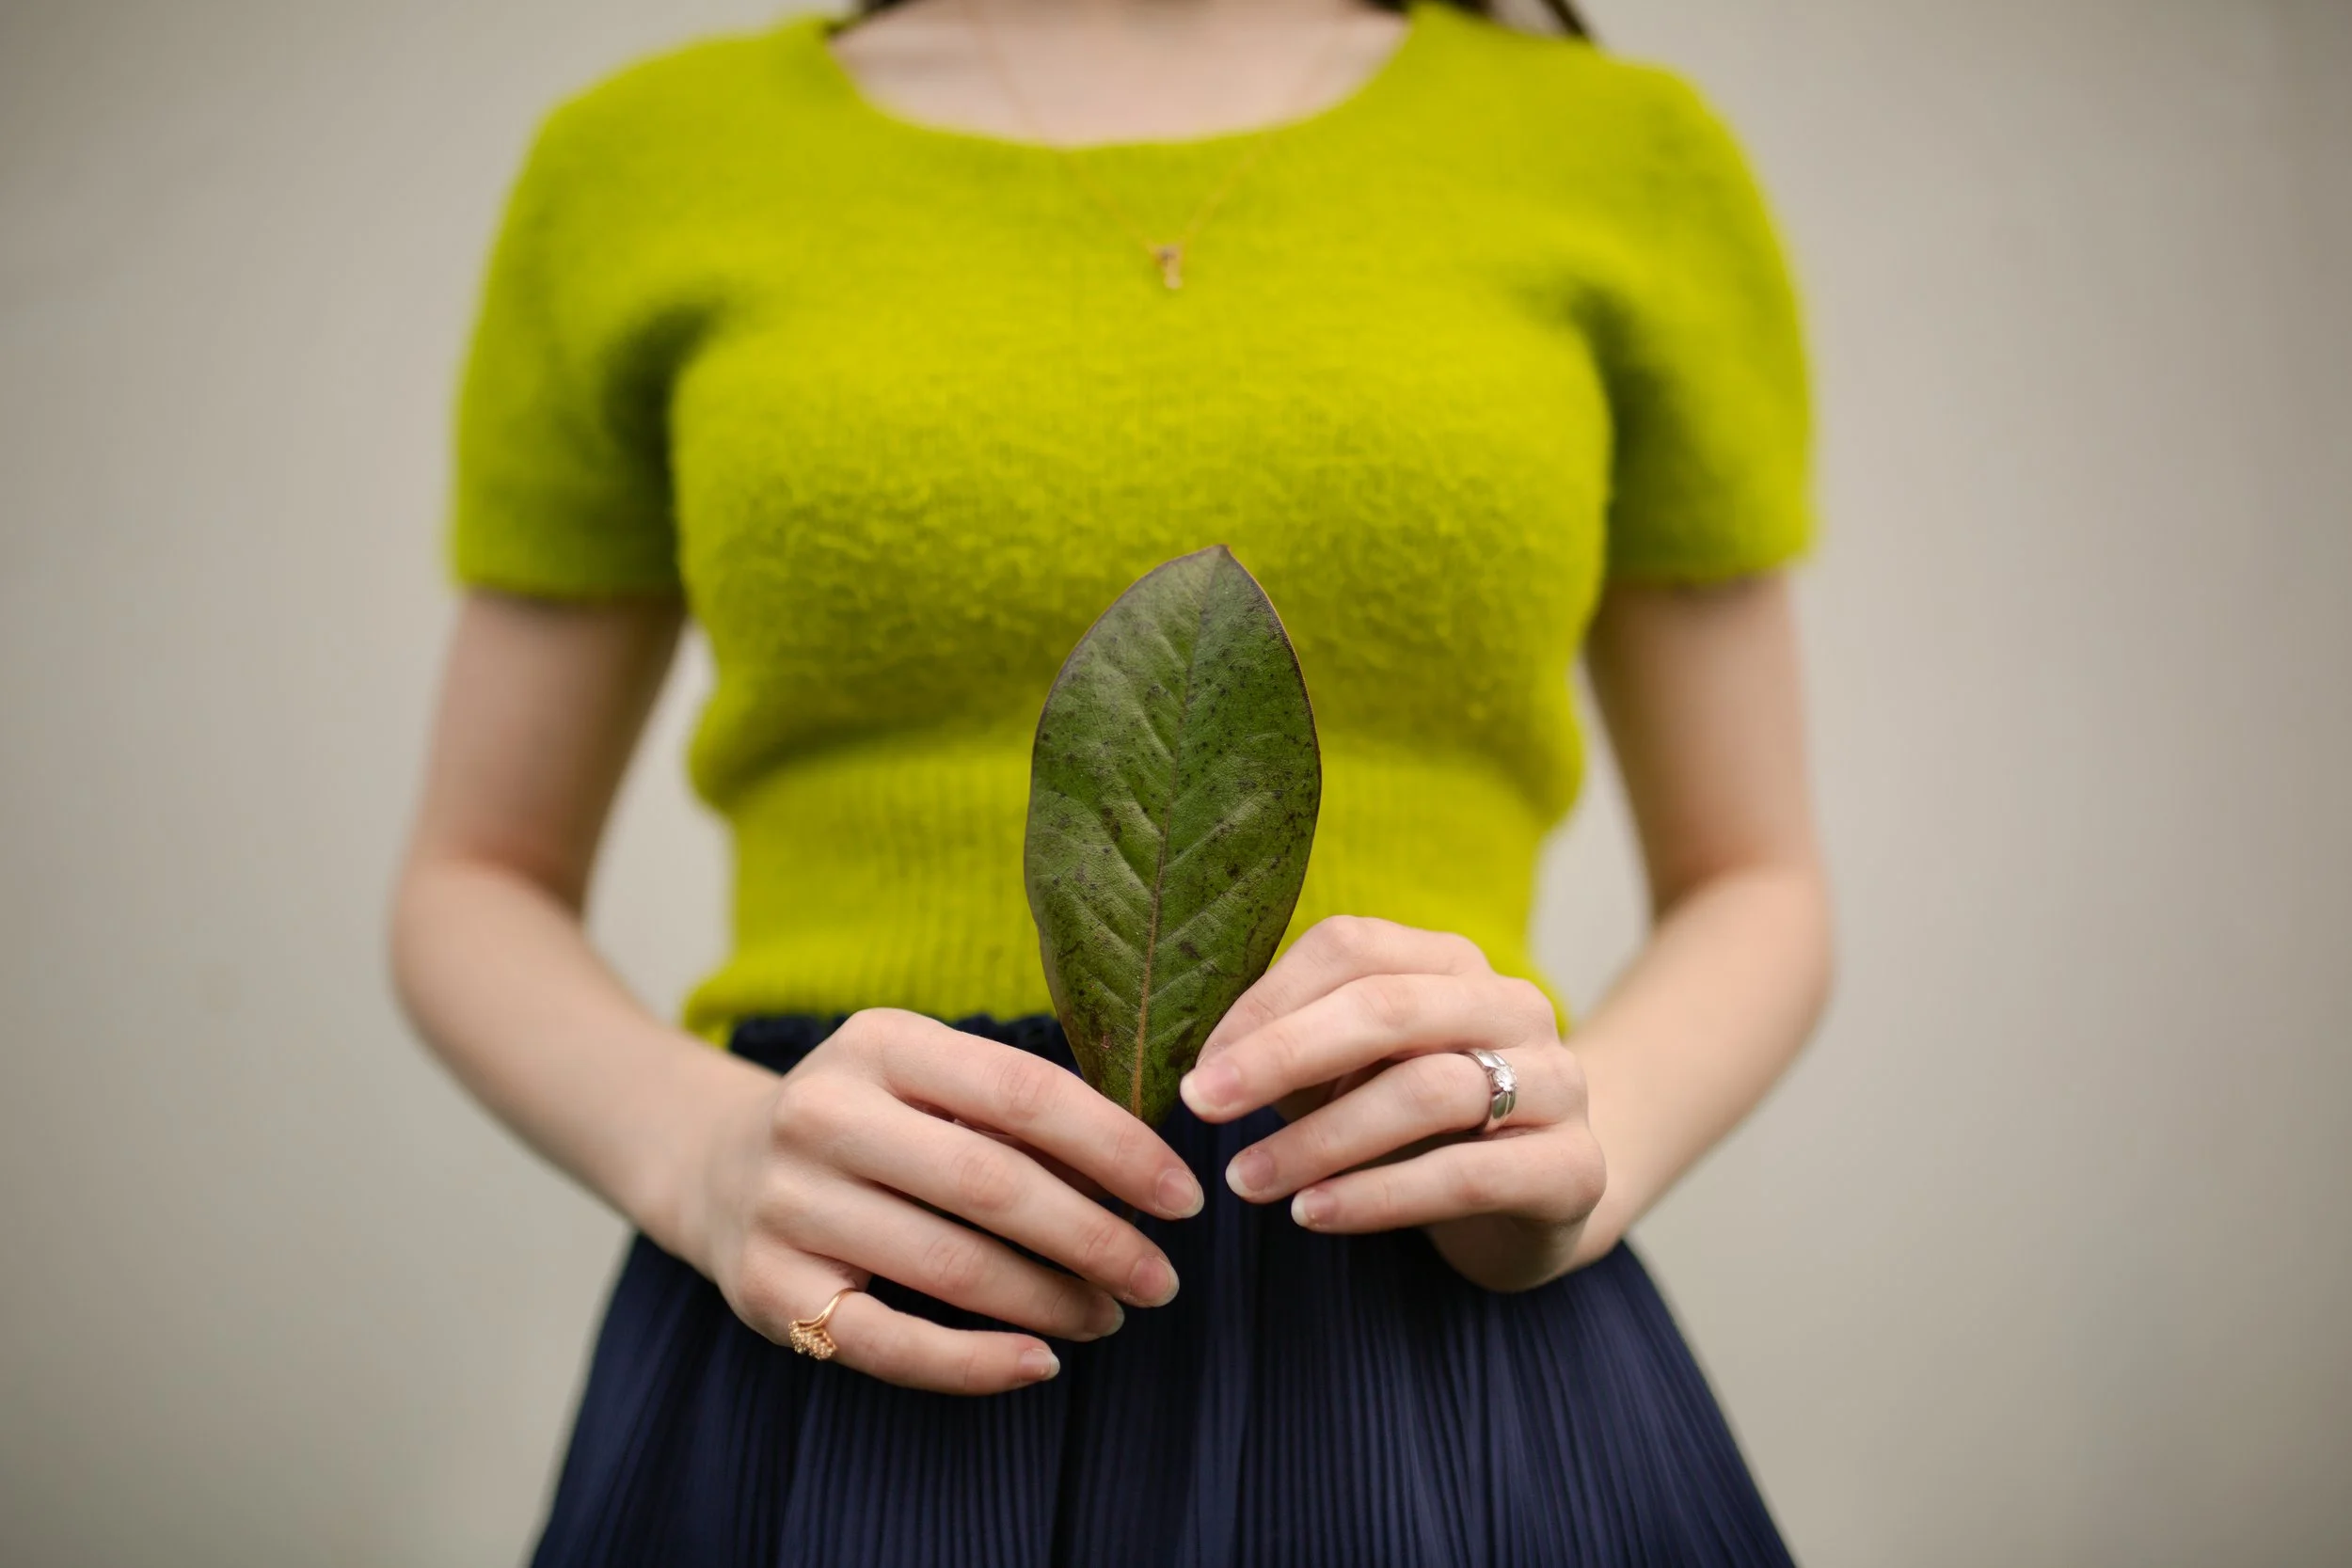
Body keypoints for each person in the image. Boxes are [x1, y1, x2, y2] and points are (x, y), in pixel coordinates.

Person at [389, 0, 1836, 1561]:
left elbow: (1758, 876)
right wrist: (705, 1152)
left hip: (1426, 1328)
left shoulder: (1626, 161)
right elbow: (475, 873)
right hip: (851, 1314)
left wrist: (1572, 1133)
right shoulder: (644, 168)